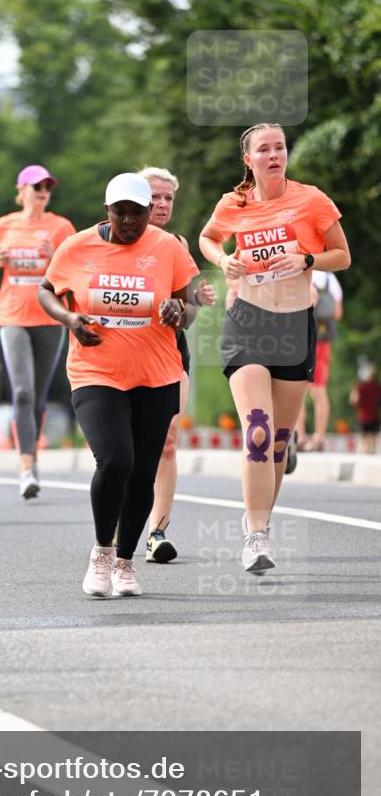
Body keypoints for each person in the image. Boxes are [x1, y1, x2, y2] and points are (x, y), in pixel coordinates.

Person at [199, 123, 351, 574]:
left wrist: (307, 259)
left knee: (280, 444)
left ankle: (259, 519)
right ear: (248, 159)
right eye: (264, 149)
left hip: (294, 327)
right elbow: (208, 238)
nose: (274, 155)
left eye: (280, 147)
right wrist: (224, 260)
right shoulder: (234, 203)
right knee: (258, 433)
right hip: (248, 322)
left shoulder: (312, 200)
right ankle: (256, 536)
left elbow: (342, 255)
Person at [38, 172, 198, 597]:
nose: (129, 221)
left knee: (143, 471)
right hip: (96, 371)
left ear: (149, 212)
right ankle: (101, 553)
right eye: (120, 213)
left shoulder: (168, 247)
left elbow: (190, 305)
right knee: (115, 461)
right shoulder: (78, 246)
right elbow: (45, 290)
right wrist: (69, 318)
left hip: (156, 373)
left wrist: (178, 311)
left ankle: (126, 563)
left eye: (137, 213)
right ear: (106, 211)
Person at [0, 164, 76, 498]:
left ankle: (32, 455)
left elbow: (75, 273)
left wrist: (54, 259)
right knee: (22, 391)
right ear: (21, 190)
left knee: (37, 393)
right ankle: (25, 469)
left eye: (47, 187)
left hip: (49, 317)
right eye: (37, 186)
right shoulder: (5, 224)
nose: (43, 192)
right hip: (12, 315)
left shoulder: (61, 227)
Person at [137, 166, 216, 563]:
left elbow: (188, 312)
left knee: (167, 442)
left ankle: (157, 533)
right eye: (155, 197)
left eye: (168, 198)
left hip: (169, 355)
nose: (162, 204)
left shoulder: (177, 245)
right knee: (127, 450)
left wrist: (189, 304)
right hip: (121, 358)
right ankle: (117, 526)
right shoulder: (109, 240)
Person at [295, 270, 343, 451]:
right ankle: (319, 437)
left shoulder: (299, 271)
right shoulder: (330, 278)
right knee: (319, 389)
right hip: (322, 340)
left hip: (300, 337)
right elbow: (337, 313)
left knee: (297, 387)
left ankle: (300, 436)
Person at [349, 362, 380, 454]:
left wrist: (357, 407)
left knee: (363, 440)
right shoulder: (377, 387)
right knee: (372, 443)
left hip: (363, 417)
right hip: (374, 416)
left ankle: (363, 452)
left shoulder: (360, 386)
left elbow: (353, 400)